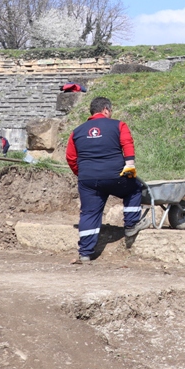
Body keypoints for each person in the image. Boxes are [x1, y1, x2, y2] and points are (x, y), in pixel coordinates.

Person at [65, 97, 148, 264]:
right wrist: (130, 164)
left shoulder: (77, 131)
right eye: (110, 111)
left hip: (88, 180)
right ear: (105, 110)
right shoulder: (119, 125)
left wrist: (82, 173)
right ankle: (131, 225)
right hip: (115, 176)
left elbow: (71, 157)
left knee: (89, 213)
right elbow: (127, 143)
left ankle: (85, 254)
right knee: (134, 188)